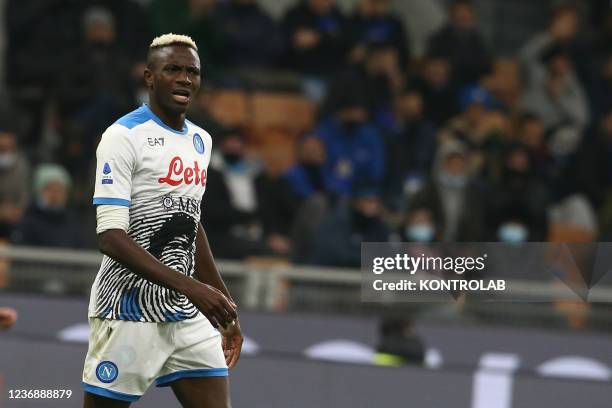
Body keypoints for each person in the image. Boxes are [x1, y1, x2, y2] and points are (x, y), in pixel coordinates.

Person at [82, 34, 242, 408]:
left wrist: (225, 306)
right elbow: (110, 237)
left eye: (192, 71)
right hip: (128, 310)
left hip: (186, 315)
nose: (185, 78)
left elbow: (191, 222)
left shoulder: (201, 140)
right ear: (149, 76)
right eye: (173, 69)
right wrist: (194, 288)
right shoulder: (122, 137)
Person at [11, 164, 86, 248]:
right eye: (50, 189)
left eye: (59, 190)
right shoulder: (27, 220)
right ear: (39, 191)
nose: (54, 195)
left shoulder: (73, 222)